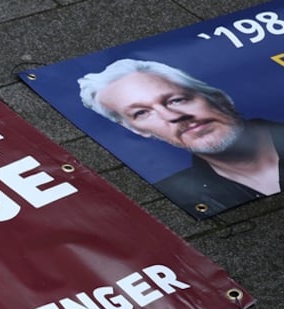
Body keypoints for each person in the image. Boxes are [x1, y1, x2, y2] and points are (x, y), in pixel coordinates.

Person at [78, 58, 283, 218]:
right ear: (137, 130)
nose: (172, 116)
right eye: (141, 113)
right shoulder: (183, 197)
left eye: (177, 100)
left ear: (218, 97)